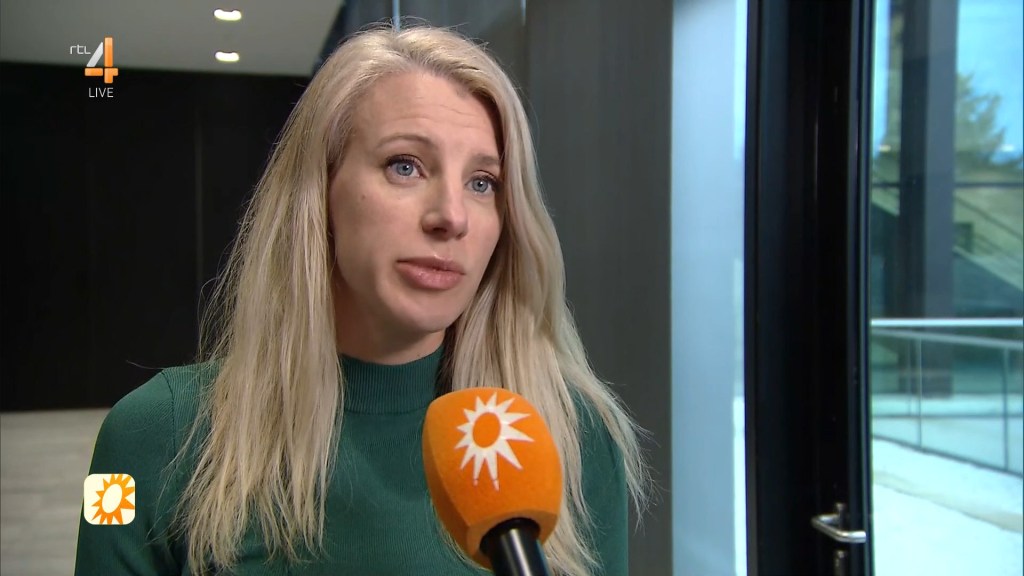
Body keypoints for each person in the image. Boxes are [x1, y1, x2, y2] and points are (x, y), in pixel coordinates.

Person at [75, 23, 648, 576]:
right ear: (320, 193)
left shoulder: (572, 438)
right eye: (406, 166)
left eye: (483, 182)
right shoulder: (141, 439)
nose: (451, 216)